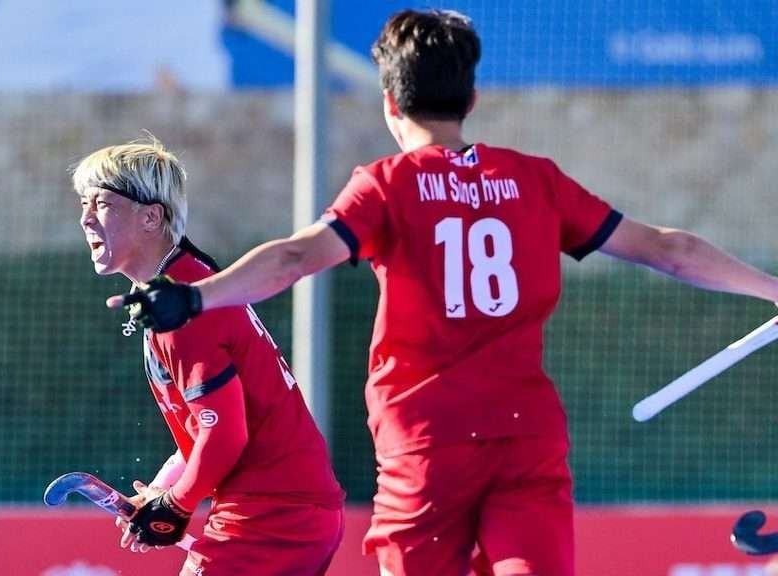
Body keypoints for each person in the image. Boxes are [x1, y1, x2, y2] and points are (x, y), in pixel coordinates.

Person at [109, 10, 778, 576]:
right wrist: (772, 288)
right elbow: (671, 250)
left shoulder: (387, 186)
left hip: (425, 448)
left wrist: (196, 297)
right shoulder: (535, 180)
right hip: (526, 443)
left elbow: (291, 259)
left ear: (390, 103)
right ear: (472, 98)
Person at [73, 136, 345, 576]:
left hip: (272, 515)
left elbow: (226, 435)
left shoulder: (180, 306)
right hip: (286, 510)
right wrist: (162, 491)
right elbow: (208, 426)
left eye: (101, 203)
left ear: (150, 216)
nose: (85, 217)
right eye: (83, 203)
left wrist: (176, 505)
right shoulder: (181, 288)